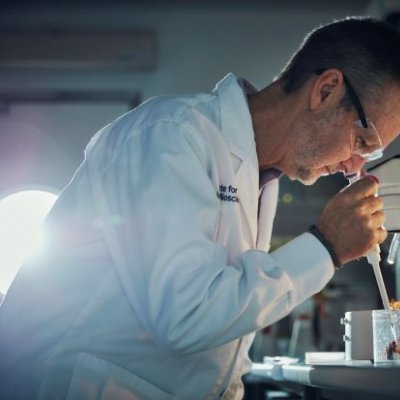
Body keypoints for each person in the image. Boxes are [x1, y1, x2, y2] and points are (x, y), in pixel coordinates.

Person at [1, 16, 400, 400]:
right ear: (326, 90)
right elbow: (185, 316)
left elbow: (223, 328)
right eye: (364, 141)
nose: (355, 165)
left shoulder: (264, 177)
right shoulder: (170, 135)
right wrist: (327, 245)